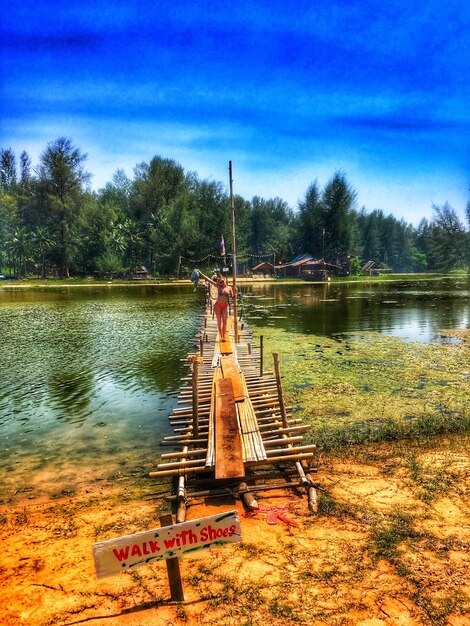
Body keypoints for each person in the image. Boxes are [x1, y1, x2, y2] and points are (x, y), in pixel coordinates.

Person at [198, 272, 234, 339]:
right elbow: (209, 280)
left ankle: (224, 335)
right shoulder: (218, 286)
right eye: (220, 282)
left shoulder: (229, 288)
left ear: (225, 280)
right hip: (218, 305)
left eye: (222, 281)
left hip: (225, 306)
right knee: (219, 321)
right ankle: (222, 337)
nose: (222, 283)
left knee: (225, 321)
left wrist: (236, 292)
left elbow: (233, 297)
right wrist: (201, 274)